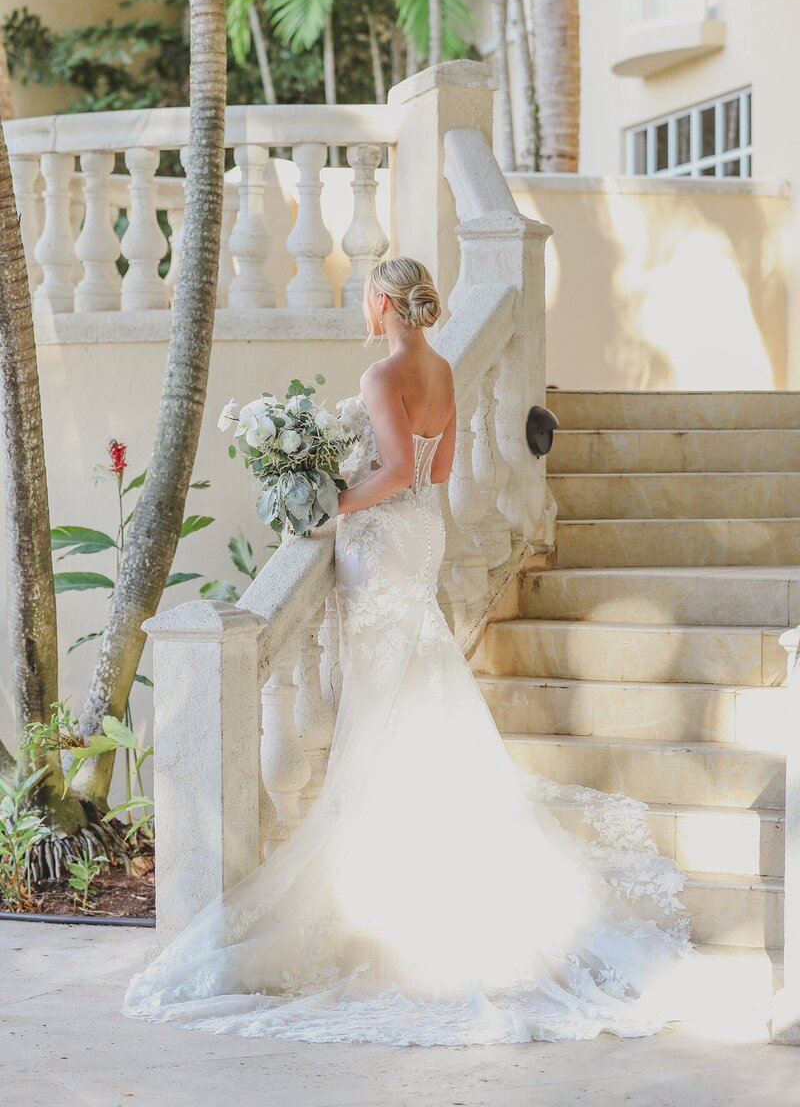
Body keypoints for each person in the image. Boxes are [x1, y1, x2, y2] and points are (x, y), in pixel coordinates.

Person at [122, 256, 706, 1045]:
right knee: (413, 678)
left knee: (377, 692)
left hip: (385, 537)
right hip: (423, 532)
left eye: (366, 291)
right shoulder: (437, 367)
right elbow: (436, 466)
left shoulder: (381, 374)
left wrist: (329, 507)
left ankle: (376, 855)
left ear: (385, 301)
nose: (361, 302)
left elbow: (395, 469)